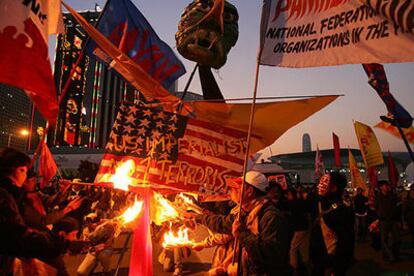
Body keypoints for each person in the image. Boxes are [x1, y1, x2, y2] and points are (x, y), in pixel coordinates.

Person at [0, 148, 86, 274]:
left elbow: (49, 201)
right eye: (24, 172)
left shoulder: (22, 194)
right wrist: (64, 244)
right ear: (17, 170)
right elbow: (23, 232)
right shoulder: (8, 197)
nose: (28, 179)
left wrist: (62, 191)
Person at [193, 170, 292, 275]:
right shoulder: (244, 213)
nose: (232, 190)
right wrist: (197, 218)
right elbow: (223, 223)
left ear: (249, 191)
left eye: (236, 188)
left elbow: (270, 253)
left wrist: (243, 234)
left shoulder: (270, 216)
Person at [310, 172, 355, 276]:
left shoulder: (342, 211)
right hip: (319, 261)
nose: (319, 186)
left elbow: (346, 243)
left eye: (324, 183)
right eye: (320, 183)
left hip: (331, 262)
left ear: (334, 188)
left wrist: (338, 269)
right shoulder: (319, 204)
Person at [376, 180, 401, 262]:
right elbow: (377, 208)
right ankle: (388, 256)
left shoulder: (393, 196)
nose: (387, 187)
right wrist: (379, 218)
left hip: (393, 220)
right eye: (385, 185)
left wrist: (399, 220)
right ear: (381, 187)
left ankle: (395, 254)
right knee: (384, 240)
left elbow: (397, 208)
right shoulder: (378, 197)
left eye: (387, 185)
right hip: (383, 221)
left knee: (397, 239)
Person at [403, 185, 414, 250]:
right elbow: (404, 212)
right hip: (411, 220)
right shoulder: (407, 201)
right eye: (412, 190)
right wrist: (404, 222)